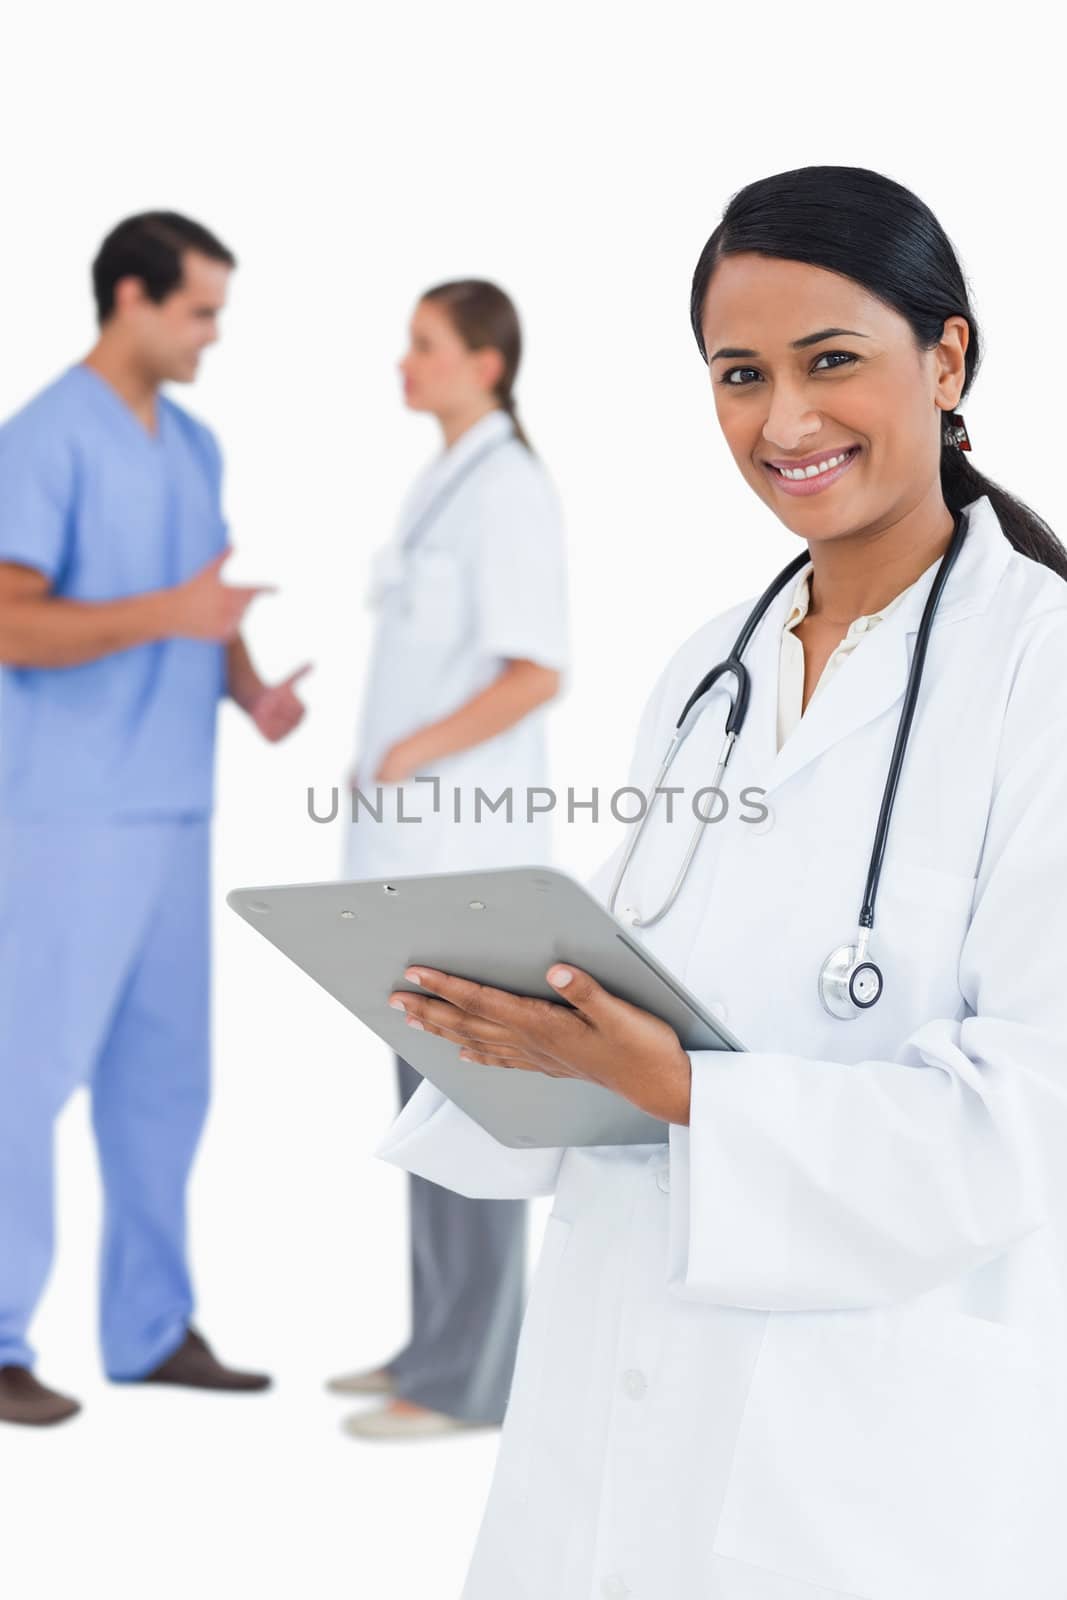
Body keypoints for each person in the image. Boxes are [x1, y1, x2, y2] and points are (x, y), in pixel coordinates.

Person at [373, 167, 1067, 1597]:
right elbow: (650, 980)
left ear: (945, 358)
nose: (782, 422)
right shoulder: (711, 666)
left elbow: (1025, 1119)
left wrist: (679, 1087)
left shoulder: (1038, 666)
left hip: (867, 1449)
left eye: (831, 362)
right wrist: (512, 1025)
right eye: (737, 374)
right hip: (619, 1392)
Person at [0, 211, 309, 1428]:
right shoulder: (42, 440)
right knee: (22, 1082)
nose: (212, 334)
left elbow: (205, 599)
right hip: (65, 813)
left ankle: (148, 1328)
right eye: (199, 310)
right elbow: (12, 620)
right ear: (130, 297)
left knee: (164, 1084)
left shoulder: (194, 444)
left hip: (179, 805)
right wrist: (171, 616)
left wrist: (251, 688)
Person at [329, 279, 569, 1439]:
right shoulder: (446, 483)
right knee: (419, 1108)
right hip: (412, 854)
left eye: (422, 345)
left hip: (463, 852)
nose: (403, 363)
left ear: (485, 360)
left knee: (465, 1110)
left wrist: (411, 750)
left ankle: (468, 1380)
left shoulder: (508, 490)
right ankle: (432, 1345)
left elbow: (535, 670)